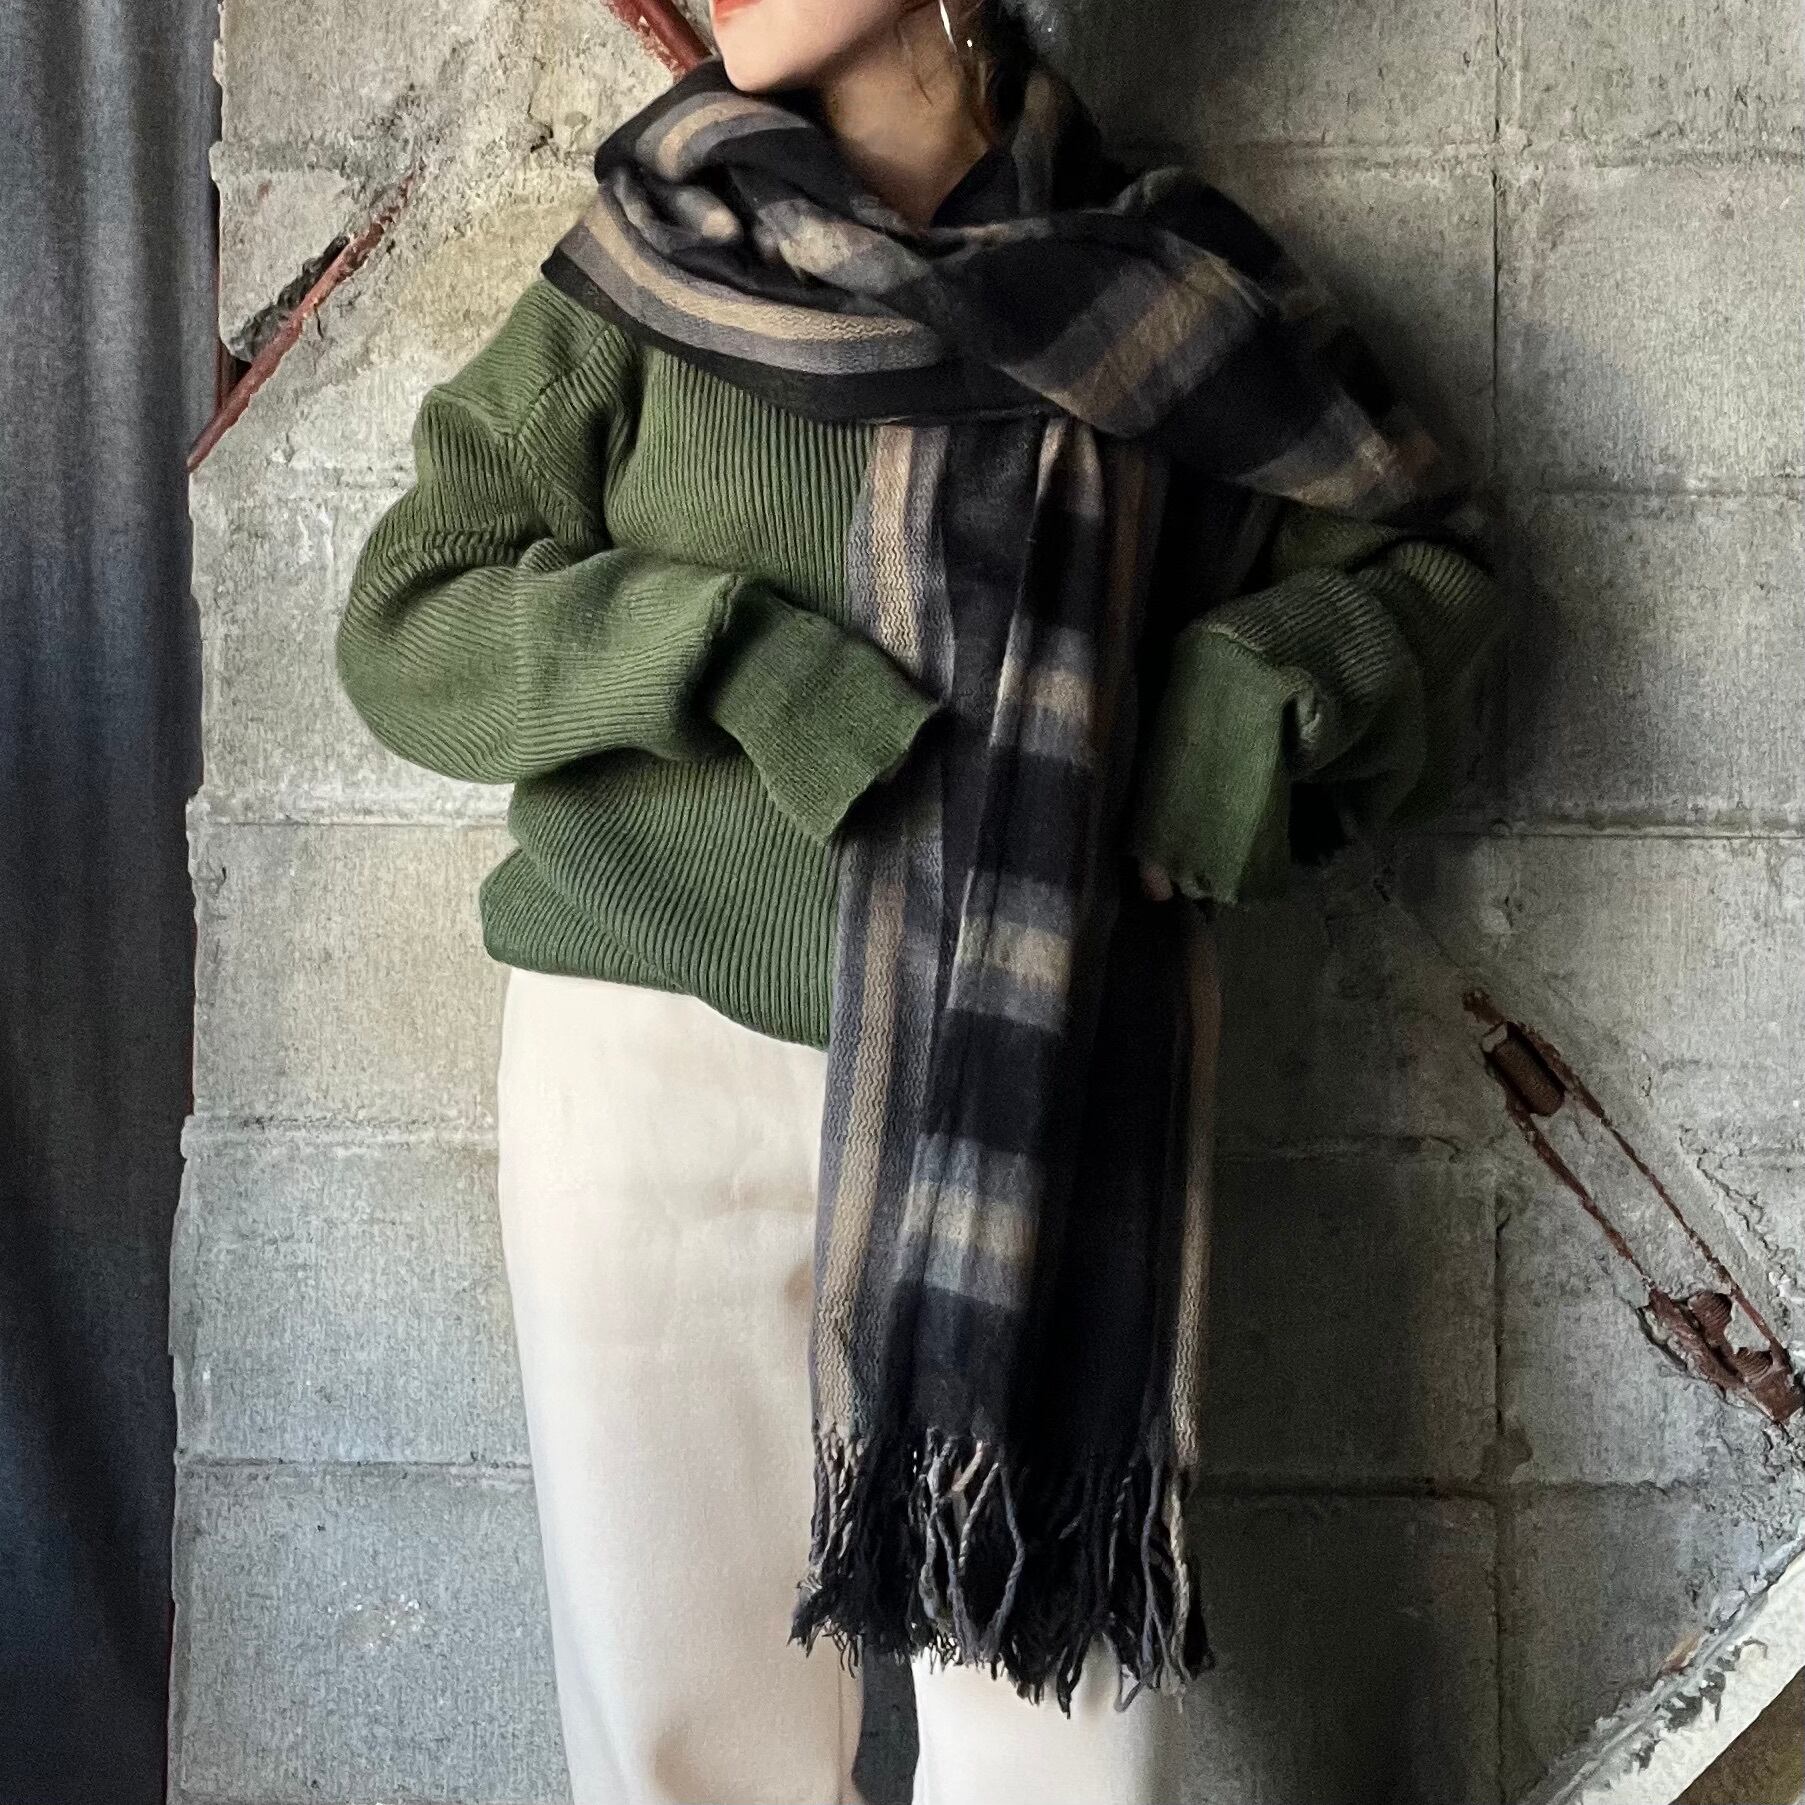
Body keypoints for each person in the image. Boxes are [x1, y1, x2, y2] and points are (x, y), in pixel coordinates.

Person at [335, 1, 1504, 1799]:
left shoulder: (1171, 290)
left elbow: (1429, 562)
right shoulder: (650, 262)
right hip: (652, 1069)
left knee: (1060, 1735)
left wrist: (1248, 697)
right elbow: (410, 618)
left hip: (1046, 1070)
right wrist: (719, 652)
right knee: (682, 1746)